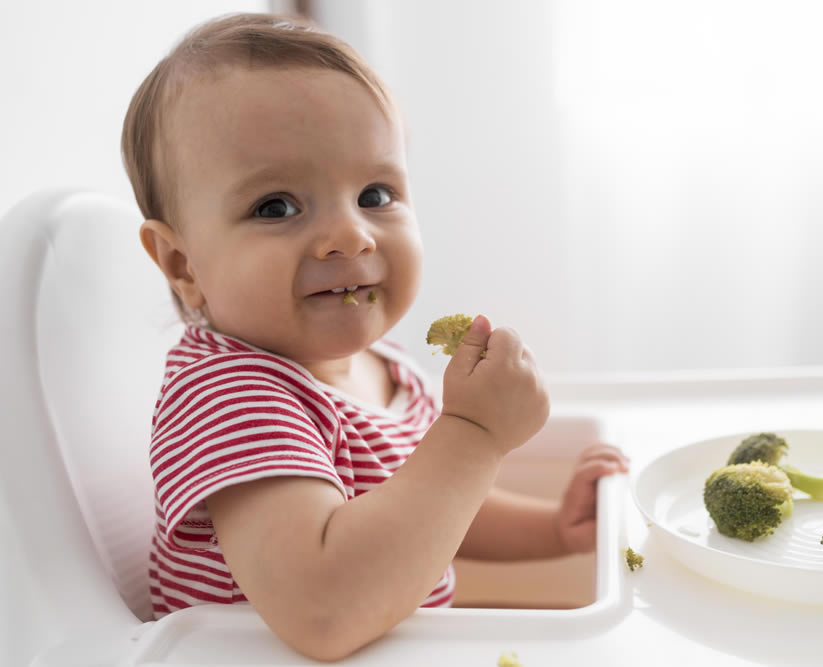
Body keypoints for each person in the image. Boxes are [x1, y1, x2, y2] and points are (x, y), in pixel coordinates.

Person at [122, 12, 628, 661]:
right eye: (277, 205)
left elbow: (429, 507)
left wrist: (553, 525)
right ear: (182, 264)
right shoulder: (230, 395)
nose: (351, 235)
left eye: (375, 192)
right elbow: (324, 607)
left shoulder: (380, 365)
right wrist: (473, 436)